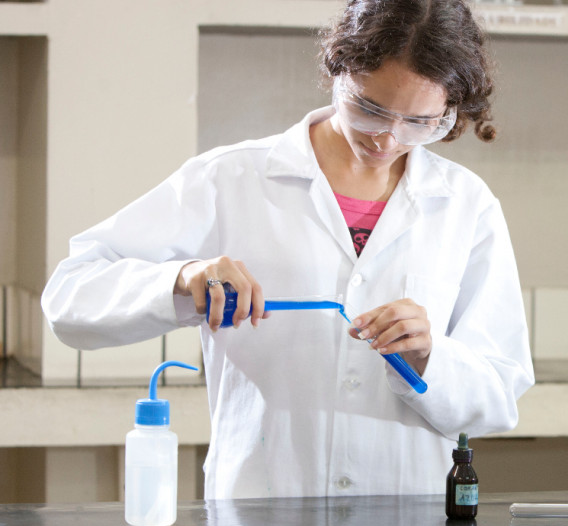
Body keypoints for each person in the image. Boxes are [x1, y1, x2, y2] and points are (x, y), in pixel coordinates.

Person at [41, 0, 534, 499]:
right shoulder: (230, 179)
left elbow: (498, 398)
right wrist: (183, 276)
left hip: (407, 514)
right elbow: (68, 298)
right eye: (370, 108)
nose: (387, 139)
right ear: (337, 72)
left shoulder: (466, 207)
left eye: (419, 124)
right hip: (260, 511)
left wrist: (432, 357)